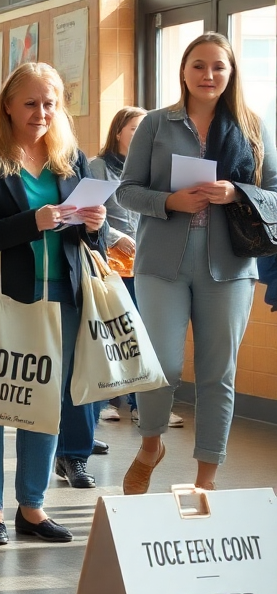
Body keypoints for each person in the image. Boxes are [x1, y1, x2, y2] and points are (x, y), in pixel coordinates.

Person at [0, 62, 105, 553]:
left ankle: (32, 506)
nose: (41, 112)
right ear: (9, 106)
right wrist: (30, 221)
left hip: (60, 295)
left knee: (46, 403)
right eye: (31, 103)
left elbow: (76, 229)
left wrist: (93, 224)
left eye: (50, 103)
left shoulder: (70, 159)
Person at [118, 32, 277, 494]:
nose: (208, 75)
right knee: (162, 366)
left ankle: (205, 483)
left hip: (230, 267)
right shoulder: (155, 124)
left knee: (217, 373)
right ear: (184, 71)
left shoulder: (251, 126)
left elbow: (275, 195)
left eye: (218, 67)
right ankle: (151, 446)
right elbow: (127, 190)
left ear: (231, 74)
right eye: (198, 66)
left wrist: (237, 193)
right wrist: (170, 201)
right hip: (161, 263)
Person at [92, 107, 182, 426]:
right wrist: (115, 236)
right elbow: (89, 209)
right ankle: (106, 400)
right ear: (118, 132)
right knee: (114, 331)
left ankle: (142, 405)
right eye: (134, 128)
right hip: (112, 263)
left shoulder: (154, 167)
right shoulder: (99, 167)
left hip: (148, 260)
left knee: (145, 334)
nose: (142, 134)